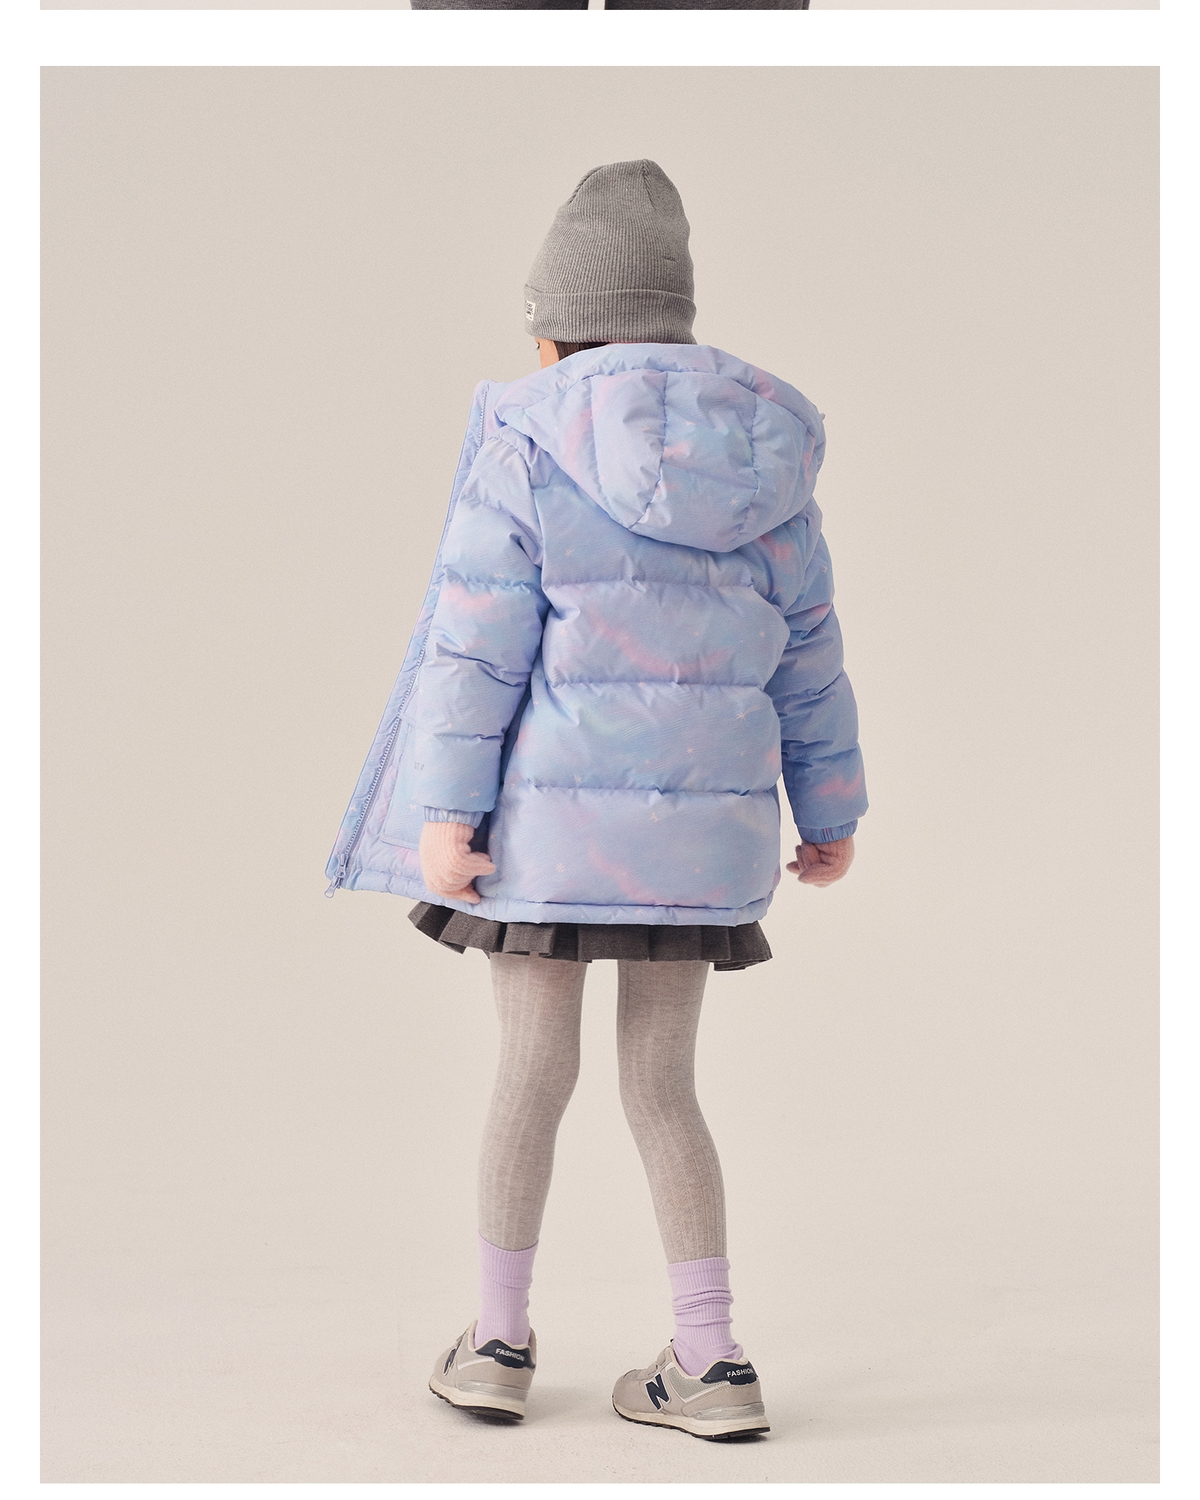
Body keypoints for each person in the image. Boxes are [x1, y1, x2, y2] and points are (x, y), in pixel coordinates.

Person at [325, 159, 866, 1440]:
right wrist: (831, 812)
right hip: (702, 849)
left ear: (554, 330)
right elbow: (811, 656)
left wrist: (444, 820)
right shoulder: (766, 462)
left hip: (546, 845)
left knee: (531, 1073)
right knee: (664, 1089)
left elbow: (474, 655)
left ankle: (497, 1345)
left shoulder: (527, 445)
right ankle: (712, 1362)